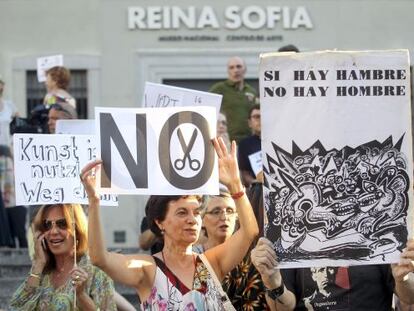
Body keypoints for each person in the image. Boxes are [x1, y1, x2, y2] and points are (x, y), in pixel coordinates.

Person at [80, 137, 259, 310]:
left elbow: (249, 231)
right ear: (160, 223)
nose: (192, 219)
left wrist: (235, 184)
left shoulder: (211, 264)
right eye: (182, 212)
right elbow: (99, 258)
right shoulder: (147, 269)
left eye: (196, 212)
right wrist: (94, 201)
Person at [251, 237, 414, 311]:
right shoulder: (289, 238)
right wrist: (273, 283)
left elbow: (408, 296)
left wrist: (402, 278)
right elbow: (285, 307)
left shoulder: (378, 232)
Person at [9, 203, 117, 310]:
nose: (54, 231)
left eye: (62, 224)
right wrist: (39, 264)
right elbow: (14, 308)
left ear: (78, 230)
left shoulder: (97, 275)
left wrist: (81, 296)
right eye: (47, 224)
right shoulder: (40, 274)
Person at [194, 190, 270, 310]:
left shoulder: (251, 258)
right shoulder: (193, 257)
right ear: (202, 219)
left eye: (229, 211)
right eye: (216, 211)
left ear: (236, 216)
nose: (224, 217)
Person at [210, 57, 258, 143]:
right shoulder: (219, 89)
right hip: (227, 140)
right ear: (228, 71)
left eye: (239, 66)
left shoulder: (251, 91)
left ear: (245, 69)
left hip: (248, 141)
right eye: (231, 67)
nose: (235, 70)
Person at [237, 104, 261, 188]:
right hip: (257, 190)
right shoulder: (244, 144)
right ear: (249, 122)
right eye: (257, 117)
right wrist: (256, 182)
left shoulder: (277, 141)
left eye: (263, 116)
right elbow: (244, 173)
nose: (260, 119)